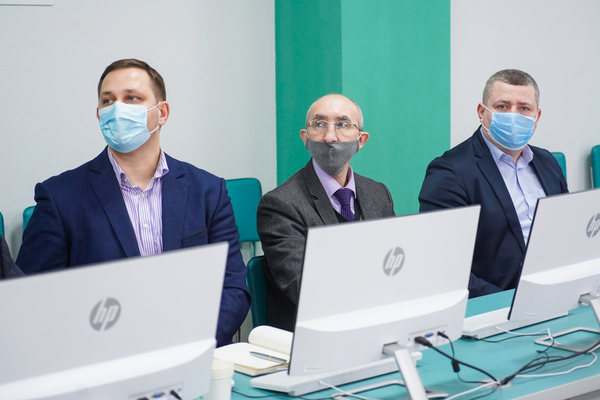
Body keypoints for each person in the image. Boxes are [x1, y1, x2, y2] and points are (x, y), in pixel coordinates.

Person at [16, 59, 250, 346]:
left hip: (193, 349)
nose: (117, 108)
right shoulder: (60, 197)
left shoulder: (208, 190)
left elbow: (233, 287)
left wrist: (192, 342)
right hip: (104, 356)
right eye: (108, 100)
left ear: (162, 113)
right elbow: (33, 299)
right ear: (99, 114)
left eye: (132, 98)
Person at [419, 69, 568, 298]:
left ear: (536, 117)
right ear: (482, 112)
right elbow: (441, 263)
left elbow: (565, 234)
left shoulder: (547, 162)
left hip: (556, 293)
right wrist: (505, 302)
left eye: (524, 108)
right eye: (502, 106)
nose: (513, 115)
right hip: (494, 303)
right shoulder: (450, 171)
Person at [257, 94, 395, 331]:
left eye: (343, 124)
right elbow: (307, 290)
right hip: (316, 333)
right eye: (319, 124)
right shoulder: (279, 205)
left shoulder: (378, 193)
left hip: (378, 324)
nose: (330, 137)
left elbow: (394, 268)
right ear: (305, 137)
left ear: (361, 140)